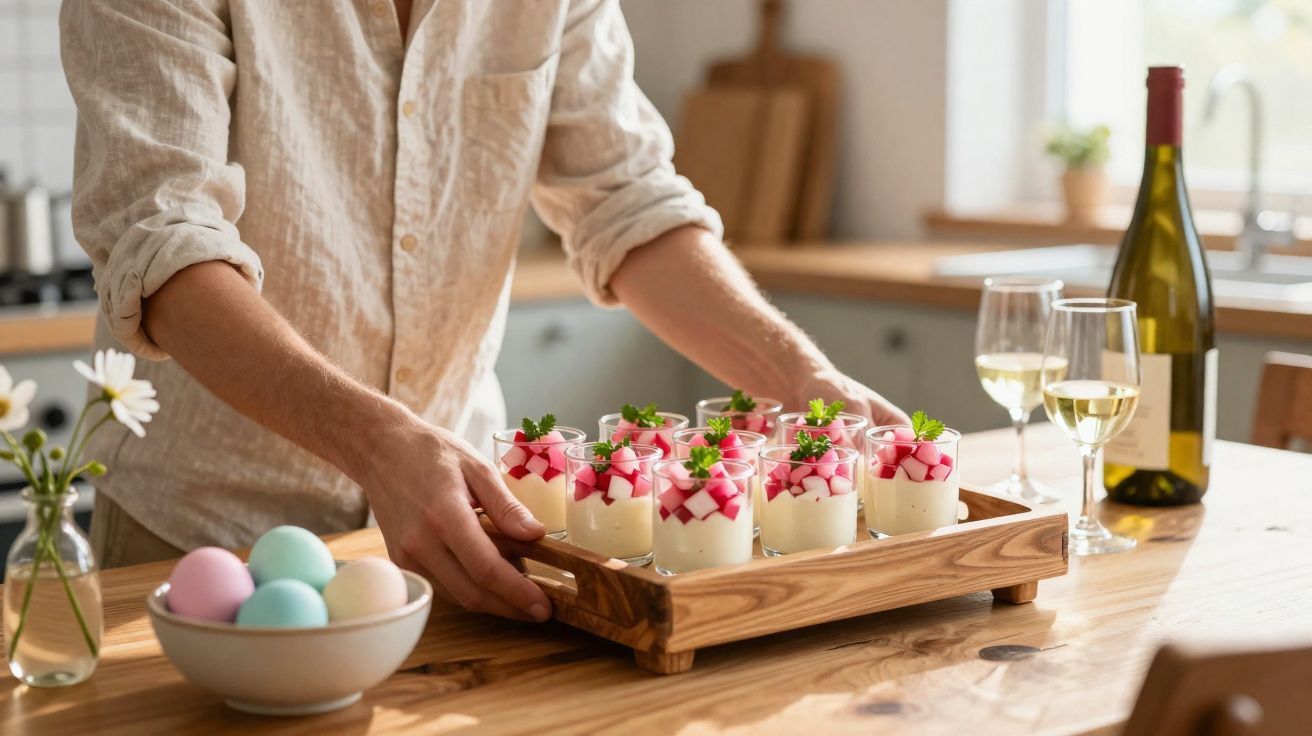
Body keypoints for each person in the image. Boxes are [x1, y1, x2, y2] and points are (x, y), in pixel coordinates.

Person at [60, 0, 908, 621]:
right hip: (203, 531)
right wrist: (379, 444)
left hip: (460, 538)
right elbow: (163, 244)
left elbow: (627, 200)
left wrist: (797, 371)